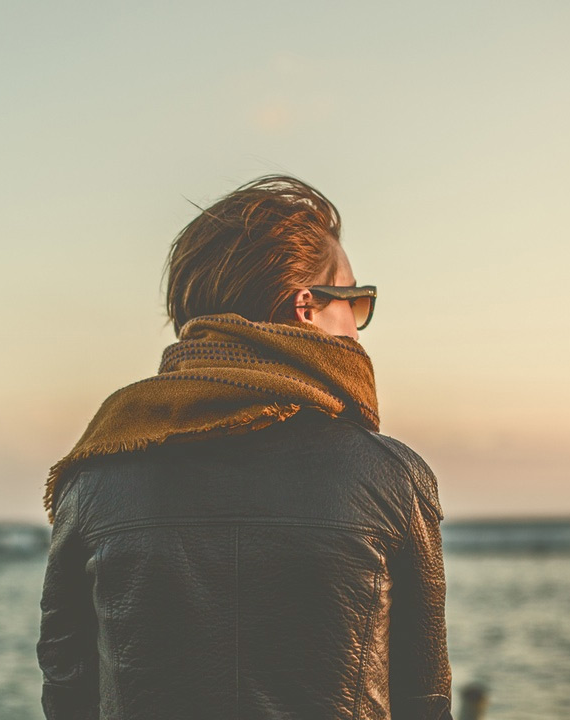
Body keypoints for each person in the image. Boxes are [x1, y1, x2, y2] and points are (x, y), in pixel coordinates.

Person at [37, 175, 453, 720]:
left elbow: (66, 689)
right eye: (354, 301)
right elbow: (426, 703)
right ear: (307, 306)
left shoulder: (92, 479)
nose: (358, 328)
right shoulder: (392, 478)